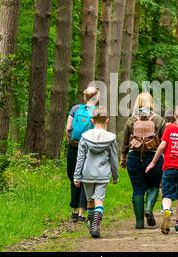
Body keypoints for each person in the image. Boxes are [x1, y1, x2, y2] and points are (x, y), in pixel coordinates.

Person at [146, 103, 178, 235]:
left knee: (167, 194)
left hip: (169, 166)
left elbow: (162, 146)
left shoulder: (169, 129)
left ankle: (166, 210)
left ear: (175, 115)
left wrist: (153, 163)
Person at [121, 92, 166, 229]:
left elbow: (125, 142)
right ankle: (148, 208)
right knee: (153, 186)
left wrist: (123, 158)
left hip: (134, 158)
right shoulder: (159, 120)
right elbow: (164, 142)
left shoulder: (131, 120)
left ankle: (139, 222)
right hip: (154, 158)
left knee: (137, 189)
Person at [73, 108, 118, 238]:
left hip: (87, 174)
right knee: (99, 200)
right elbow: (114, 159)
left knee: (90, 200)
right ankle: (96, 225)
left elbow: (80, 158)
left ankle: (92, 224)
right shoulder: (111, 138)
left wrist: (77, 176)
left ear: (92, 121)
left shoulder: (84, 137)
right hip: (103, 174)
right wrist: (115, 176)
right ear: (107, 120)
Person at [65, 87, 99, 222]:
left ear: (85, 97)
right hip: (89, 149)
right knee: (85, 178)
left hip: (74, 146)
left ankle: (73, 210)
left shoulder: (75, 109)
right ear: (96, 98)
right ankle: (81, 212)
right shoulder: (98, 112)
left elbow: (68, 129)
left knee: (73, 176)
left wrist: (71, 142)